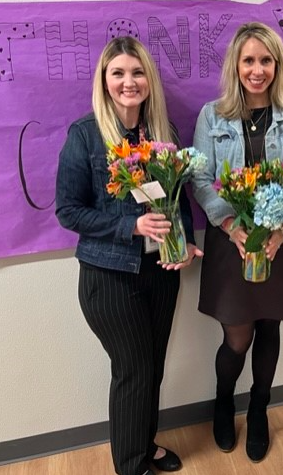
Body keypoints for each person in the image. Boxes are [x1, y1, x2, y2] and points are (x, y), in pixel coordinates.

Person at [55, 37, 203, 475]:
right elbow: (68, 210)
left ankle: (143, 443)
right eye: (118, 73)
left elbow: (178, 199)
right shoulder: (85, 135)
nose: (128, 82)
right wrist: (130, 226)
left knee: (152, 366)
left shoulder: (165, 133)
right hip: (109, 275)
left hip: (160, 270)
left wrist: (185, 242)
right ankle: (131, 464)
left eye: (137, 73)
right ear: (104, 80)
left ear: (149, 80)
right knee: (133, 370)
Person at [191, 22, 283, 463]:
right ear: (236, 65)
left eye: (266, 60)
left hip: (282, 241)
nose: (257, 69)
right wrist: (230, 225)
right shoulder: (213, 115)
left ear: (277, 65)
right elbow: (201, 178)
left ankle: (260, 408)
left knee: (270, 325)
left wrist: (282, 232)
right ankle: (224, 401)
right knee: (237, 336)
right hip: (234, 240)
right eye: (249, 60)